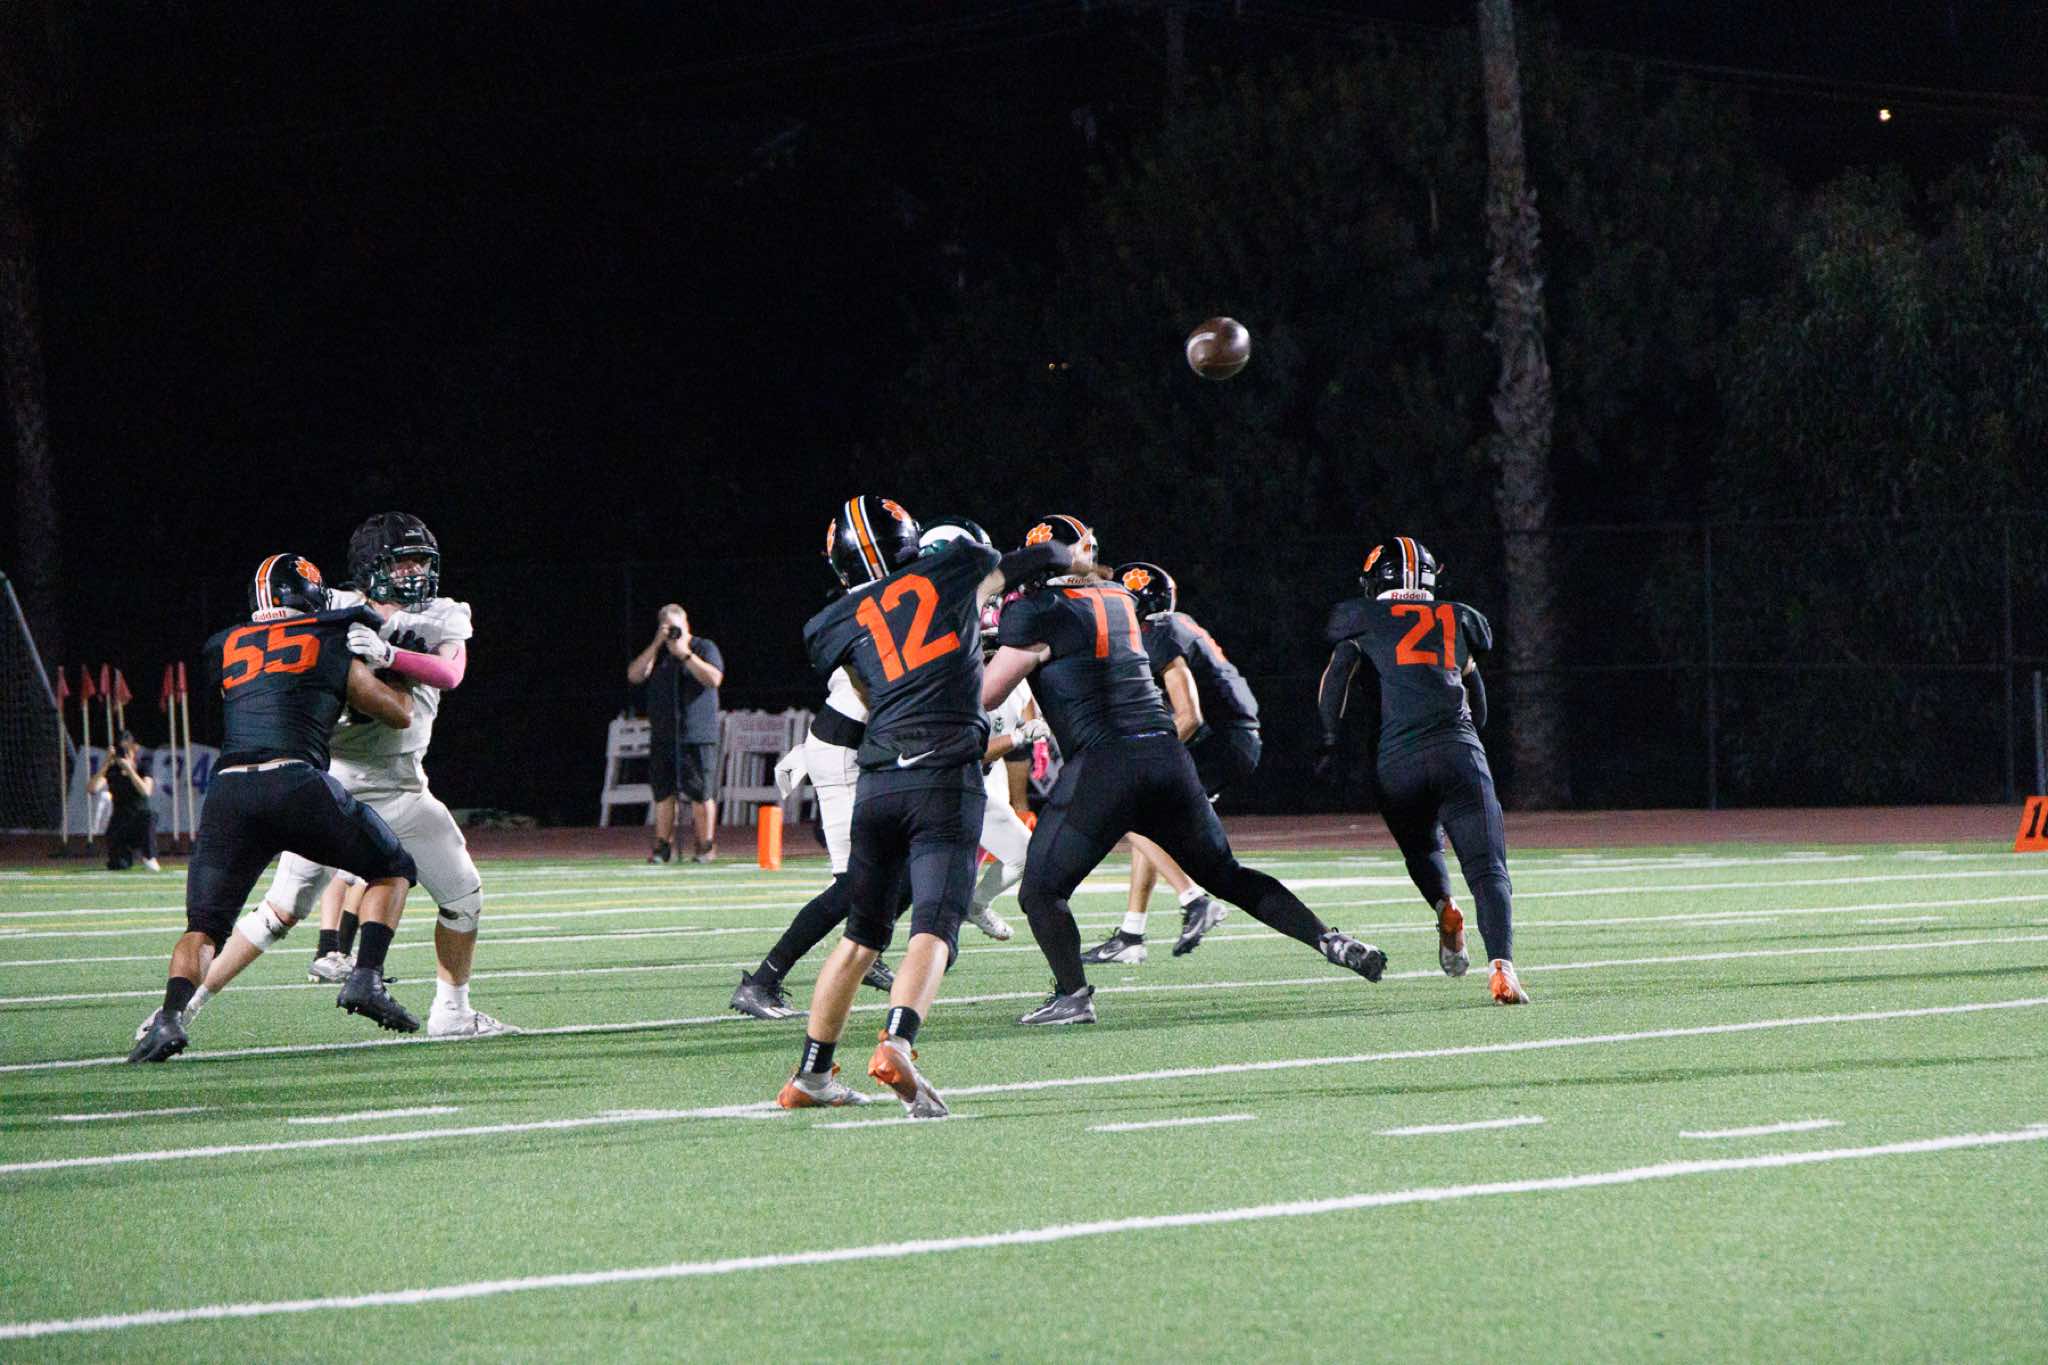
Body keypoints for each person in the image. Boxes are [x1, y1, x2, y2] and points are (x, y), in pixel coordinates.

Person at [982, 515, 1387, 1028]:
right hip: (1166, 758)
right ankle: (1329, 939)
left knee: (1041, 892)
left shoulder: (1038, 612)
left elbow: (989, 695)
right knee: (1226, 874)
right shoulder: (1118, 597)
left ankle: (1073, 994)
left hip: (1104, 764)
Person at [774, 496, 1071, 1115]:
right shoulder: (954, 568)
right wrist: (1070, 557)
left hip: (877, 782)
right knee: (934, 927)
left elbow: (867, 687)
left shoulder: (832, 621)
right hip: (944, 776)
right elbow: (1044, 554)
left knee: (860, 938)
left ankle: (811, 1075)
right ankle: (897, 1043)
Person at [188, 513, 507, 1039]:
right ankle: (183, 1009)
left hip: (396, 784)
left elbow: (451, 673)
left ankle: (451, 1011)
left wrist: (390, 653)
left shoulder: (440, 614)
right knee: (278, 911)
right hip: (334, 780)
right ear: (370, 566)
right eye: (402, 562)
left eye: (421, 562)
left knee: (462, 898)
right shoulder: (327, 606)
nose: (415, 573)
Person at [128, 553, 419, 1063]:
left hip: (229, 791)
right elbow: (396, 714)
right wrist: (400, 674)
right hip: (295, 783)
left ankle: (170, 1016)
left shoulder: (225, 643)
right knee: (393, 867)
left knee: (203, 927)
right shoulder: (330, 634)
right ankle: (366, 977)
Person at [1315, 536, 1527, 1005]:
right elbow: (1477, 698)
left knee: (1423, 848)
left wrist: (1329, 739)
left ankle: (1444, 906)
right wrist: (1471, 744)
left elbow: (1336, 679)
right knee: (1488, 868)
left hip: (1397, 762)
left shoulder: (1362, 618)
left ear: (1376, 581)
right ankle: (1502, 969)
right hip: (1457, 751)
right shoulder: (1456, 617)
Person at [1079, 561, 1261, 964]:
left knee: (1132, 808)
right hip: (1231, 739)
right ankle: (1131, 935)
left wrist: (1145, 758)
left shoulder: (1156, 633)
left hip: (1219, 741)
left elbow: (1189, 716)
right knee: (1143, 817)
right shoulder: (1175, 624)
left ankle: (1194, 899)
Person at [627, 603, 726, 863]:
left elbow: (714, 679)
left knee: (700, 792)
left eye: (677, 627)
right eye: (668, 628)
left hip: (697, 733)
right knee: (663, 793)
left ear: (686, 624)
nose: (673, 633)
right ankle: (662, 847)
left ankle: (705, 846)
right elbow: (635, 675)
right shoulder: (659, 653)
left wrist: (685, 654)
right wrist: (656, 644)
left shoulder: (703, 648)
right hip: (664, 734)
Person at [90, 730, 161, 871]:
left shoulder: (143, 766)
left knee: (150, 815)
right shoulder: (112, 769)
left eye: (127, 750)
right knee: (119, 865)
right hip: (120, 823)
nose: (125, 755)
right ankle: (123, 857)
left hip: (138, 821)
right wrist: (106, 763)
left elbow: (145, 791)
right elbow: (92, 788)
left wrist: (130, 770)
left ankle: (149, 856)